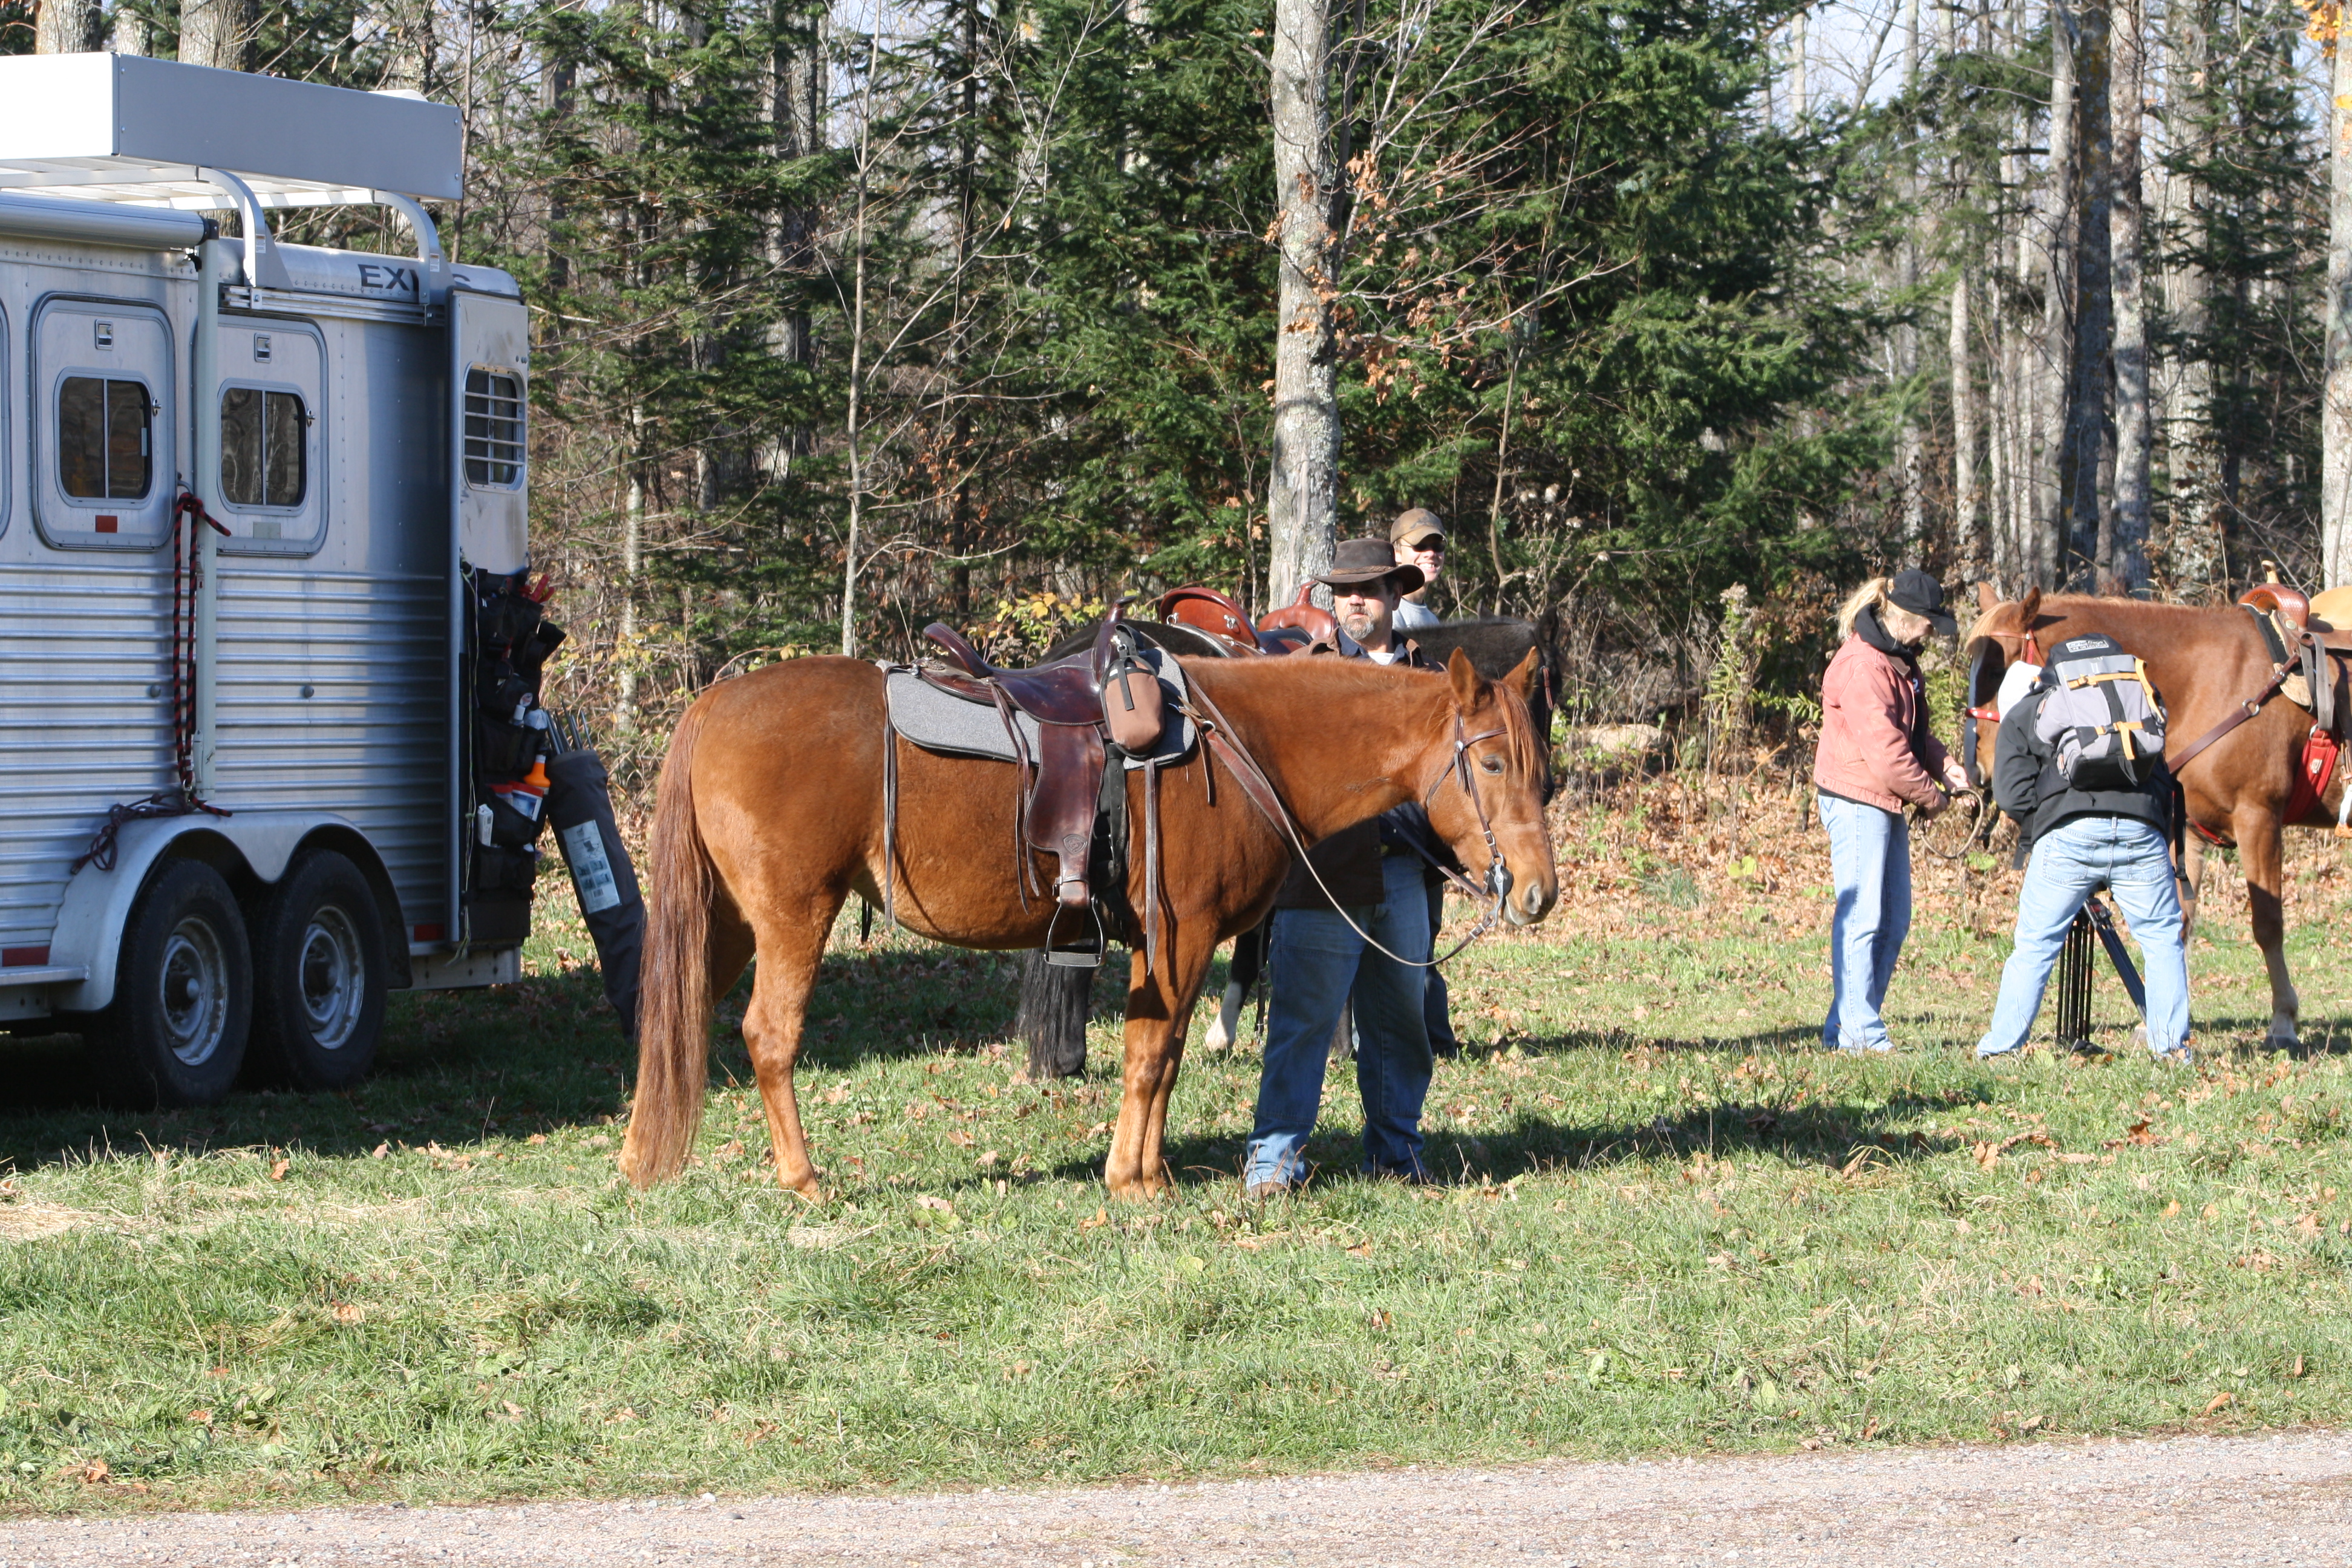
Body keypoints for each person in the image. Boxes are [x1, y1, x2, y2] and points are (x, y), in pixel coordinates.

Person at [1243, 538, 1443, 1195]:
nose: (1354, 600)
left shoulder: (1432, 678)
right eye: (1344, 590)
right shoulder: (1308, 673)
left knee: (1401, 1026)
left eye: (1368, 589)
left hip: (1405, 877)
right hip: (1322, 878)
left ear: (1393, 594)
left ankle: (1395, 1154)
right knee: (1302, 1023)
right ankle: (1273, 1162)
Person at [1976, 638, 2193, 1063]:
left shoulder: (2031, 707)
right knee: (2163, 940)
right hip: (2142, 831)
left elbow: (2012, 794)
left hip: (2068, 834)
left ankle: (2002, 1049)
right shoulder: (2135, 696)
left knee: (2036, 944)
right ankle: (2170, 1050)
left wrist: (2049, 824)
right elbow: (2162, 775)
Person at [1812, 570, 1970, 1053]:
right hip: (1858, 796)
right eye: (1928, 624)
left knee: (1894, 919)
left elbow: (1911, 737)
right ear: (1906, 617)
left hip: (1883, 798)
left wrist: (1945, 766)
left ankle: (1848, 1028)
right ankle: (1863, 1036)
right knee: (1863, 918)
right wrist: (1933, 797)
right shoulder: (1865, 666)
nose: (1931, 634)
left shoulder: (1898, 659)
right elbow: (1886, 754)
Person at [1390, 510, 1447, 630]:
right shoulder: (1389, 614)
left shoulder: (1433, 621)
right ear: (1397, 554)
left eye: (1438, 546)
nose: (1431, 553)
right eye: (1419, 545)